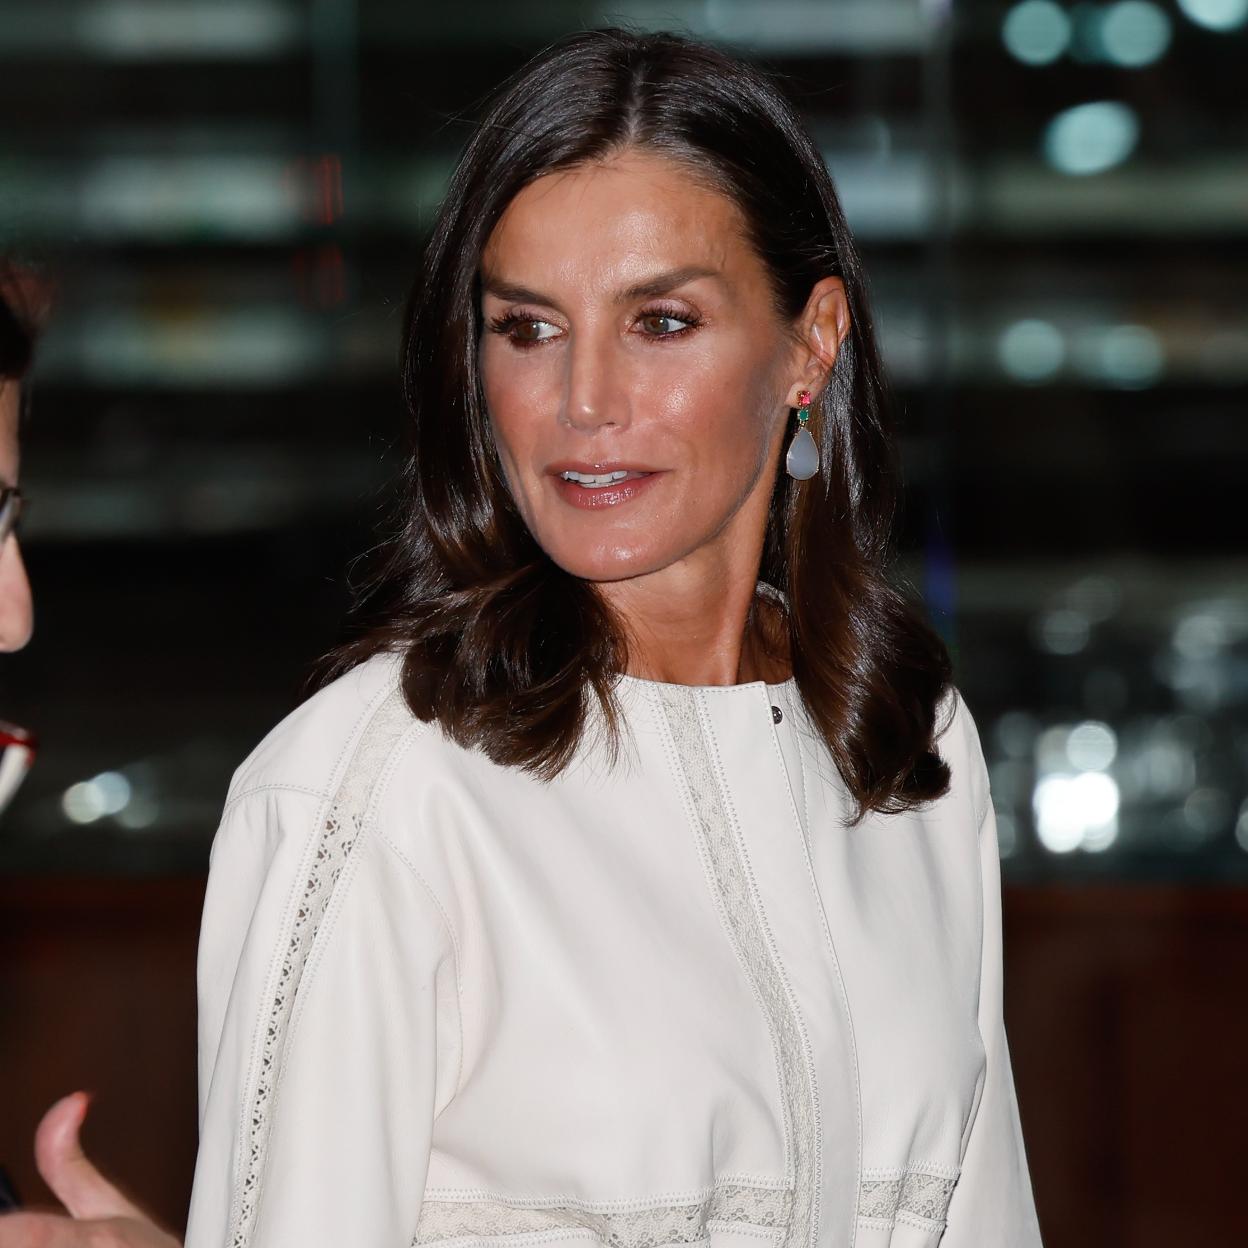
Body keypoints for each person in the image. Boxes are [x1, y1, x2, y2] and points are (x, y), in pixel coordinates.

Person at [12, 26, 1046, 1248]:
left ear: (811, 343)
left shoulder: (910, 746)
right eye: (528, 328)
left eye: (661, 322)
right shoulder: (377, 787)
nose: (584, 404)